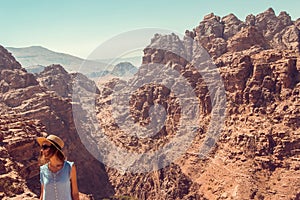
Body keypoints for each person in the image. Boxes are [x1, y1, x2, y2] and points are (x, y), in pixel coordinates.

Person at [37, 134, 79, 200]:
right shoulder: (43, 170)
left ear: (55, 149)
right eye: (42, 147)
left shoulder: (70, 167)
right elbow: (42, 194)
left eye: (45, 147)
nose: (42, 150)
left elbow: (75, 193)